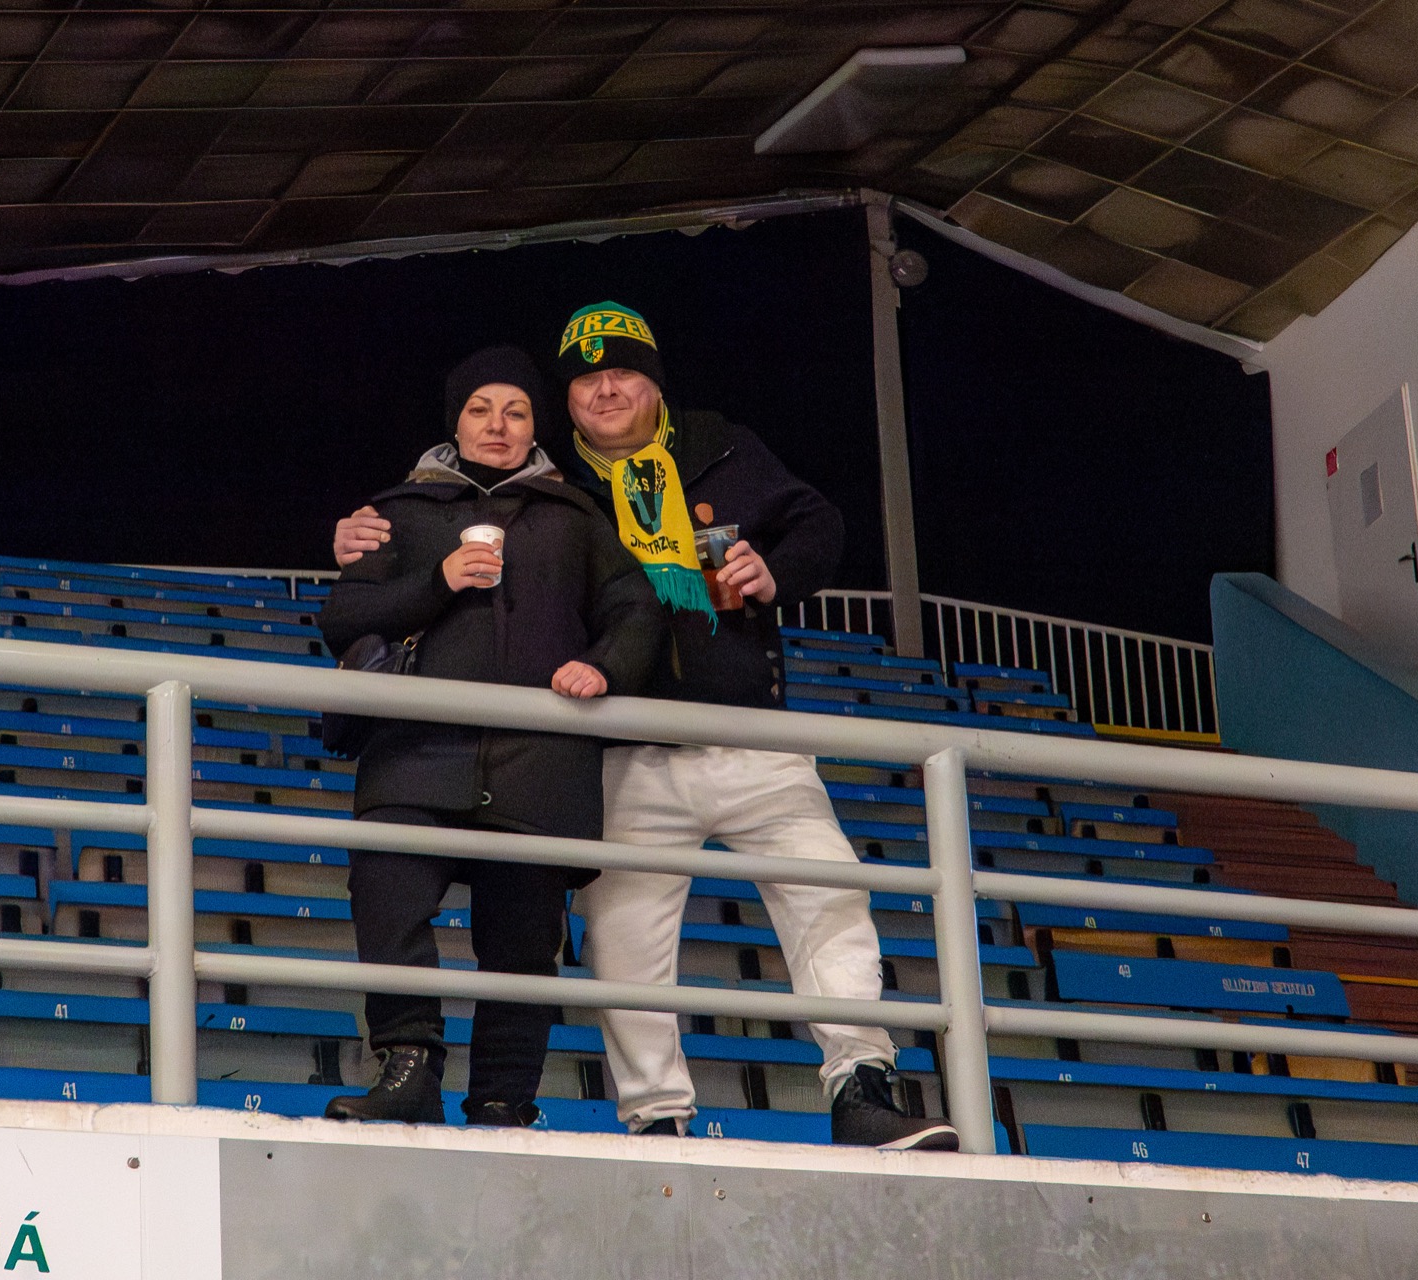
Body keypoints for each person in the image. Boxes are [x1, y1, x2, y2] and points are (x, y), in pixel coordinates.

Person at [335, 304, 958, 1150]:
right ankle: (657, 1117)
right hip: (624, 747)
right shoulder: (552, 484)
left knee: (830, 898)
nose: (605, 390)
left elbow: (819, 522)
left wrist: (776, 571)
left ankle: (862, 1089)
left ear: (655, 383)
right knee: (625, 942)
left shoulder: (720, 446)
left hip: (751, 735)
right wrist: (358, 533)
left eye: (624, 372)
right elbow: (437, 512)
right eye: (585, 379)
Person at [317, 345, 664, 1128]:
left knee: (523, 945)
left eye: (516, 411)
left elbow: (636, 610)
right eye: (480, 410)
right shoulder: (399, 509)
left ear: (536, 427)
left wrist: (603, 666)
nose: (497, 425)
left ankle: (506, 1098)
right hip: (414, 755)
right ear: (456, 422)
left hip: (538, 765)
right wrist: (438, 580)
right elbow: (343, 619)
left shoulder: (577, 514)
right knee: (389, 902)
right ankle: (408, 1070)